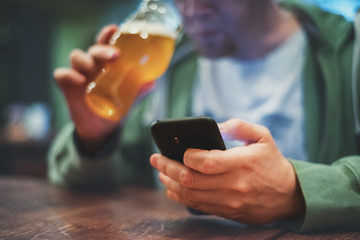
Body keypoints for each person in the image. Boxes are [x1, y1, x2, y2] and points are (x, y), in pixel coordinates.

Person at [49, 0, 360, 232]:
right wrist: (95, 139)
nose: (193, 8)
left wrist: (298, 191)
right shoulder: (170, 61)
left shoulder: (348, 50)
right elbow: (118, 174)